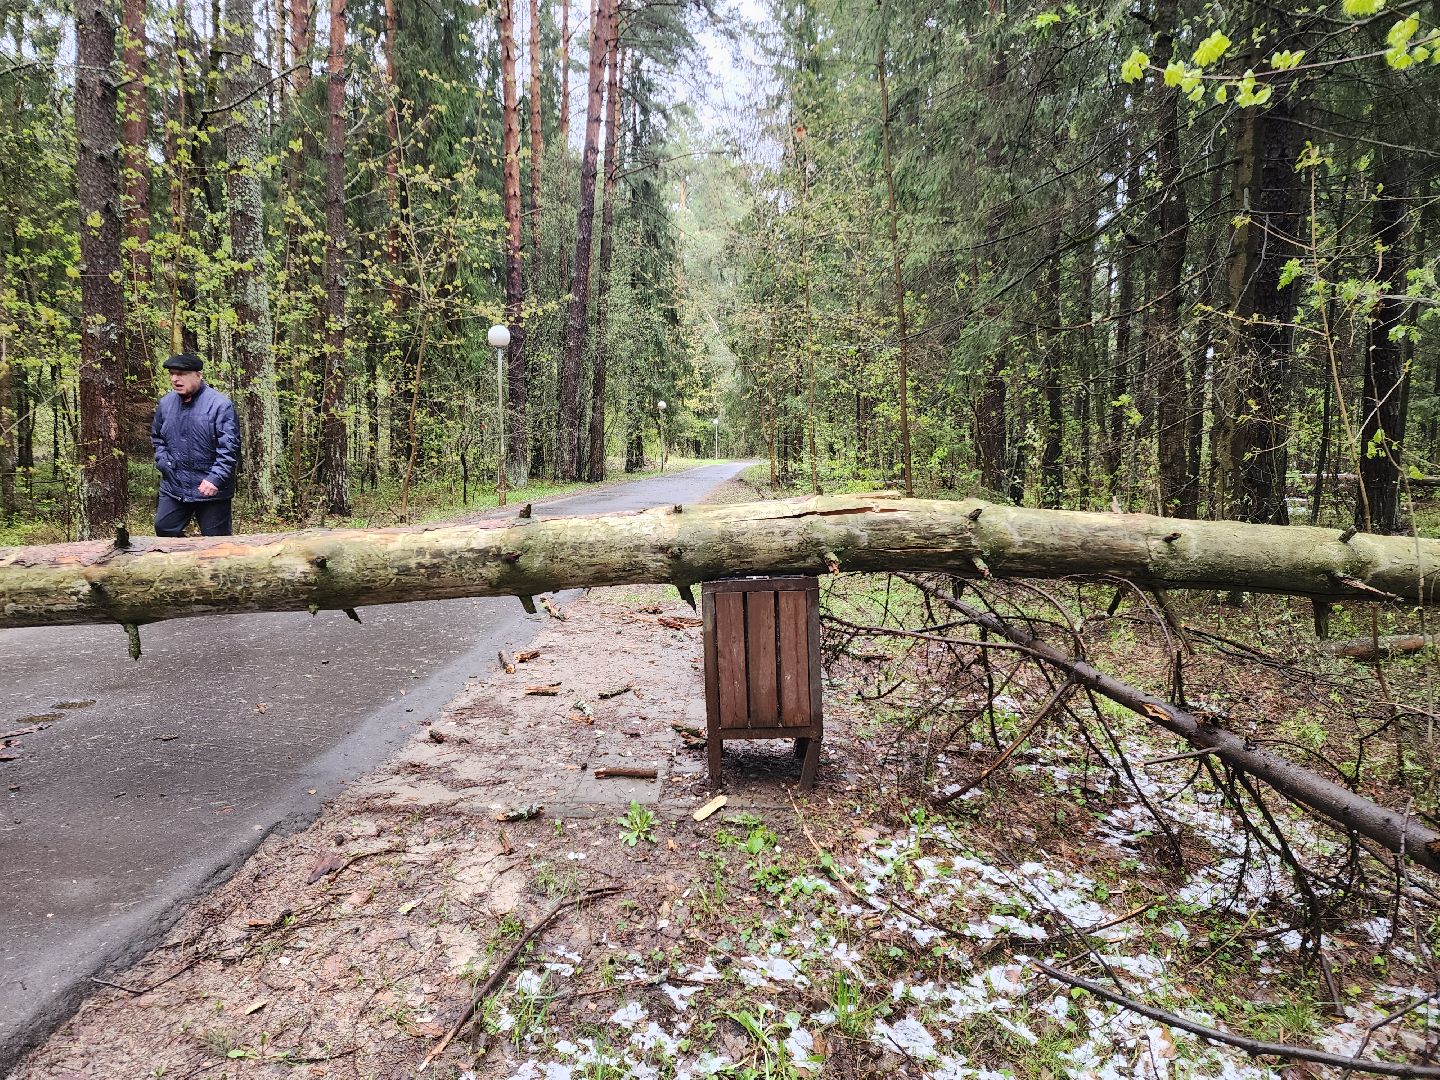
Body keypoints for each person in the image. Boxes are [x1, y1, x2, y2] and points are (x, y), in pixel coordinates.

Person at [150, 353, 240, 537]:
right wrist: (164, 463)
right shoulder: (166, 404)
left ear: (198, 375)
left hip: (211, 489)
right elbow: (157, 438)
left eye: (181, 374)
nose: (175, 379)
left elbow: (229, 448)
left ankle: (209, 564)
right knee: (164, 528)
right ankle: (185, 564)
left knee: (217, 543)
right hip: (175, 484)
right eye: (172, 374)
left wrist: (215, 479)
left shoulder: (220, 405)